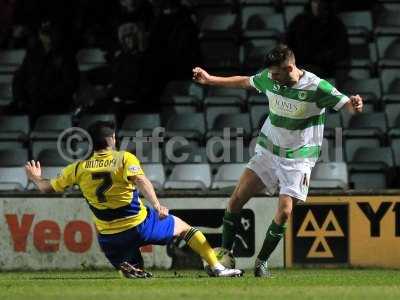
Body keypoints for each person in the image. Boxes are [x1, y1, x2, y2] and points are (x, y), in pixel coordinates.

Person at [192, 44, 363, 277]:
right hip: (268, 151)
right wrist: (211, 79)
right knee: (235, 202)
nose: (270, 78)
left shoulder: (316, 87)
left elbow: (347, 106)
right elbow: (244, 81)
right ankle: (224, 255)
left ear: (289, 67)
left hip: (299, 159)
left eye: (275, 73)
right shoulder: (270, 79)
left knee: (284, 212)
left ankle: (261, 262)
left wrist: (355, 105)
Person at [24, 121, 243, 278]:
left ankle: (128, 266)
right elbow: (142, 180)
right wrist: (157, 205)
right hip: (139, 226)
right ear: (113, 140)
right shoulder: (123, 158)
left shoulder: (78, 168)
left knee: (134, 267)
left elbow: (46, 187)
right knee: (185, 228)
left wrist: (35, 178)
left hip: (109, 239)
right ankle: (217, 268)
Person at [286, 0, 350, 78]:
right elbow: (288, 46)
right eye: (316, 2)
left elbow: (341, 52)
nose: (319, 5)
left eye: (322, 2)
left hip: (326, 70)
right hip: (300, 67)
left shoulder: (336, 24)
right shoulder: (298, 22)